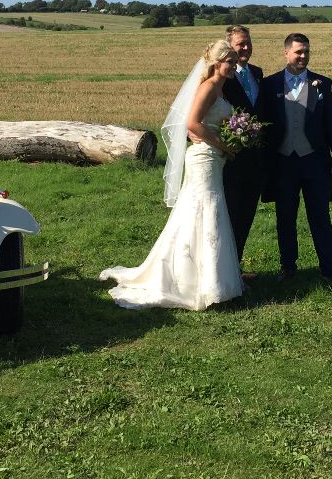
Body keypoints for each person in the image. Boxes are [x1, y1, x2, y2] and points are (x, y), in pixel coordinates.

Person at [99, 40, 245, 310]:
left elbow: (209, 124)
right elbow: (192, 124)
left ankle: (209, 280)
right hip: (203, 158)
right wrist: (224, 145)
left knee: (209, 212)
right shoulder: (209, 87)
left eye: (235, 61)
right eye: (230, 61)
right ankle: (194, 283)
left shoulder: (221, 91)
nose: (234, 66)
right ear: (216, 63)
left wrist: (235, 136)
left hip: (214, 159)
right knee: (203, 212)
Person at [259, 32, 332, 284]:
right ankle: (288, 267)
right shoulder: (270, 84)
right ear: (286, 52)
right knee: (285, 217)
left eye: (307, 51)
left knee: (320, 216)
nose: (303, 56)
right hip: (283, 162)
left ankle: (328, 270)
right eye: (298, 51)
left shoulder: (322, 83)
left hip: (315, 161)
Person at [221, 25, 266, 280]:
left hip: (255, 160)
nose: (245, 48)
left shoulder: (258, 73)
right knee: (229, 215)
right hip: (231, 159)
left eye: (248, 43)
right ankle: (224, 271)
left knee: (246, 215)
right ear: (230, 46)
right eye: (240, 44)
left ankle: (234, 267)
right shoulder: (223, 75)